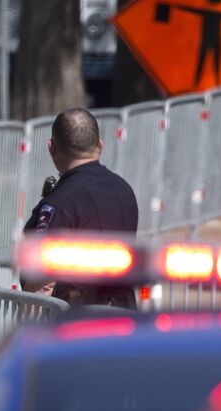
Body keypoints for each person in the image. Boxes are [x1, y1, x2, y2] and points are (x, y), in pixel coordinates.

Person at [21, 108, 139, 306]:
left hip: (75, 324)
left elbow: (42, 282)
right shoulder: (124, 190)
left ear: (51, 148)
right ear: (100, 145)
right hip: (123, 318)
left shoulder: (59, 203)